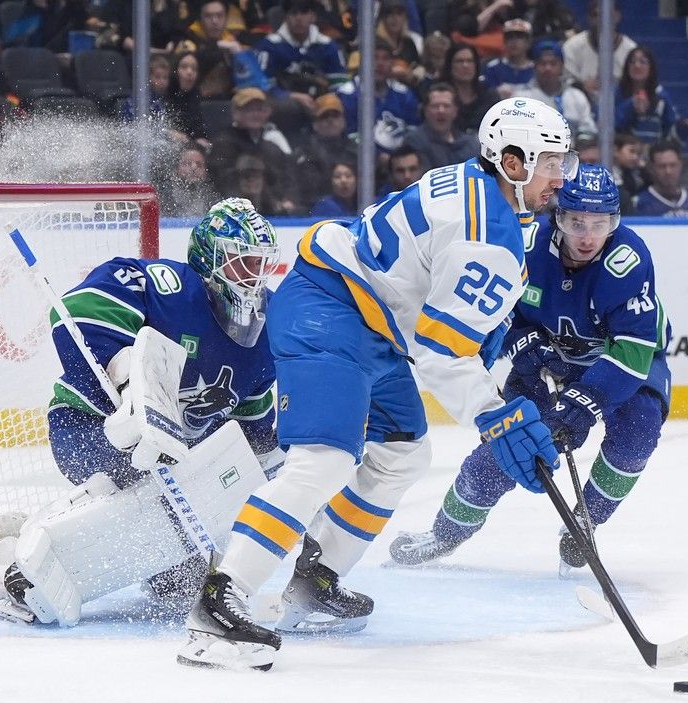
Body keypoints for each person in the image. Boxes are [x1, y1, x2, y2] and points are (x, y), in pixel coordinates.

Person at [178, 96, 575, 671]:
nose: (560, 178)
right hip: (330, 308)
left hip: (369, 320)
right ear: (512, 162)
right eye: (551, 163)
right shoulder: (489, 234)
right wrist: (497, 415)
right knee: (324, 462)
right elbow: (441, 352)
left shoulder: (475, 185)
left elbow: (434, 314)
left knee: (403, 455)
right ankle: (219, 602)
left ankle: (315, 577)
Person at [0, 198, 284, 627]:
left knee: (193, 545)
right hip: (86, 427)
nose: (254, 279)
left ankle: (163, 567)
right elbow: (76, 313)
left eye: (261, 265)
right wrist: (129, 388)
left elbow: (253, 432)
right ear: (209, 260)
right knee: (136, 482)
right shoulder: (168, 287)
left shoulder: (268, 327)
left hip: (175, 457)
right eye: (242, 264)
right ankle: (22, 580)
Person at [390, 165, 672, 573]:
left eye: (601, 223)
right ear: (558, 217)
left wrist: (583, 403)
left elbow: (631, 350)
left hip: (622, 365)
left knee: (639, 429)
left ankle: (584, 523)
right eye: (577, 222)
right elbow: (497, 316)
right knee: (508, 446)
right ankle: (445, 534)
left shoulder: (628, 260)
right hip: (547, 362)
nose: (588, 236)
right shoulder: (525, 246)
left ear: (615, 222)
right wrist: (522, 341)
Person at [207, 87, 298, 211]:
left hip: (272, 217)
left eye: (260, 109)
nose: (256, 114)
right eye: (249, 109)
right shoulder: (223, 144)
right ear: (235, 112)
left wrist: (287, 200)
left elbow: (288, 181)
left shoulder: (272, 148)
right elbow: (222, 184)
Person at [336, 38, 420, 153]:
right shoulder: (347, 94)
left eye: (385, 58)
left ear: (392, 63)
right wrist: (378, 157)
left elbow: (413, 136)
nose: (380, 63)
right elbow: (348, 139)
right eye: (374, 57)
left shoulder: (404, 94)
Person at [514, 40, 597, 142]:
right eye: (542, 63)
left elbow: (588, 130)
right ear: (534, 67)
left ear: (562, 67)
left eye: (553, 63)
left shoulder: (576, 96)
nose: (548, 68)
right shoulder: (522, 98)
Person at [614, 46, 688, 146]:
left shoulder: (661, 96)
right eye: (632, 61)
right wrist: (631, 105)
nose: (637, 66)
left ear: (651, 68)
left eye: (643, 62)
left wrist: (684, 128)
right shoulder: (615, 93)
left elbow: (670, 129)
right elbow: (608, 125)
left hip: (653, 153)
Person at [562, 0, 637, 100]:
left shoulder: (630, 50)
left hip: (619, 107)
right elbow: (564, 83)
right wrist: (582, 87)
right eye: (596, 15)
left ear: (618, 16)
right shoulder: (572, 47)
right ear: (589, 18)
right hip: (581, 107)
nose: (602, 20)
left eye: (607, 15)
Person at [293, 92, 358, 200]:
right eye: (324, 116)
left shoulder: (357, 151)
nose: (330, 120)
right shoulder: (305, 153)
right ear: (315, 124)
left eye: (335, 115)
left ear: (343, 120)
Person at [403, 82, 479, 169]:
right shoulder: (414, 141)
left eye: (446, 106)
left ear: (455, 111)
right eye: (435, 106)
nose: (441, 111)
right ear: (425, 111)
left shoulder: (469, 143)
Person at [634, 140, 688, 217]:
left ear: (681, 165)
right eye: (662, 166)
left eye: (673, 165)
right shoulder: (638, 204)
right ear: (651, 168)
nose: (668, 171)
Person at [441, 42, 499, 135]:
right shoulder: (440, 95)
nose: (465, 65)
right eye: (459, 61)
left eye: (470, 61)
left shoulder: (489, 96)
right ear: (450, 65)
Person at [160, 142, 220, 217]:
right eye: (187, 163)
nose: (194, 168)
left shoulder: (214, 199)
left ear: (206, 170)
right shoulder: (163, 197)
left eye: (199, 164)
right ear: (175, 169)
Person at [481, 18, 535, 99]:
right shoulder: (492, 68)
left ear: (528, 42)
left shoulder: (537, 70)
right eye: (510, 37)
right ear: (504, 41)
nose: (514, 41)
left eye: (519, 37)